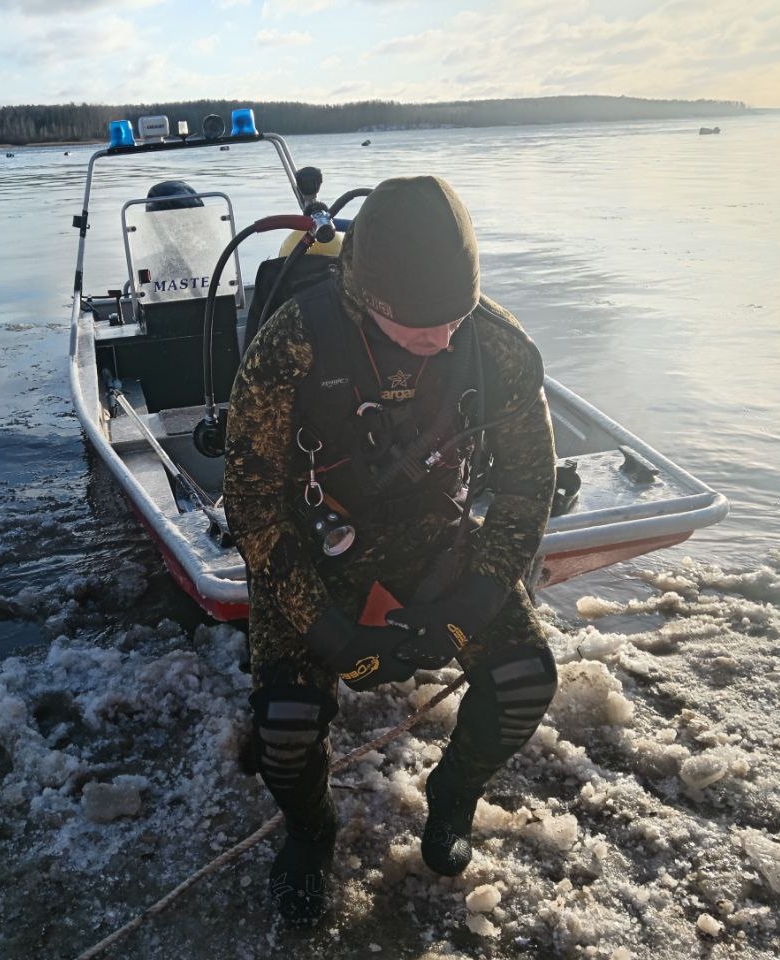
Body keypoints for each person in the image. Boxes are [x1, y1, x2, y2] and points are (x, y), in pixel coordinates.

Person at [222, 175, 560, 927]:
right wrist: (328, 631)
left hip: (436, 547)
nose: (443, 338)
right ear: (368, 299)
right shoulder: (294, 347)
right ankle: (310, 835)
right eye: (420, 324)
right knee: (284, 725)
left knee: (523, 680)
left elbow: (528, 487)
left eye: (456, 316)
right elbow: (249, 503)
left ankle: (454, 794)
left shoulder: (495, 347)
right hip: (315, 553)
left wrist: (472, 601)